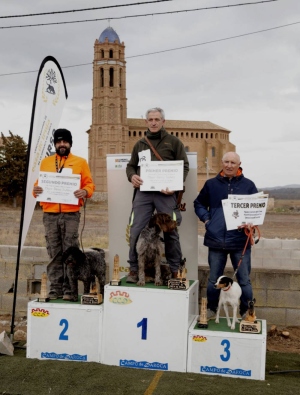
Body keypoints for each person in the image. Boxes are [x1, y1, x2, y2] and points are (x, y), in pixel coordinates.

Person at [126, 107, 189, 283]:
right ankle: (133, 269)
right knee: (136, 229)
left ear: (163, 122)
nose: (153, 122)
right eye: (150, 119)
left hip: (165, 194)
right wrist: (132, 176)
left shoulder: (173, 142)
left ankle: (175, 269)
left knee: (170, 231)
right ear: (146, 122)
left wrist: (175, 186)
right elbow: (131, 166)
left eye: (157, 119)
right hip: (144, 193)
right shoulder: (140, 144)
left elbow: (184, 166)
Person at [193, 152, 258, 319]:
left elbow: (256, 211)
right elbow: (198, 203)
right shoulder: (211, 184)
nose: (229, 165)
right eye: (226, 162)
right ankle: (211, 310)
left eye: (233, 162)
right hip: (216, 241)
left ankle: (246, 313)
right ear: (222, 163)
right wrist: (207, 220)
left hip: (239, 241)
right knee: (214, 279)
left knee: (244, 280)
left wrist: (252, 221)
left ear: (239, 164)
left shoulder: (249, 186)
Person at [33, 128, 95, 300]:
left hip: (71, 214)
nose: (62, 144)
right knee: (54, 251)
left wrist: (85, 191)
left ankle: (69, 288)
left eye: (65, 142)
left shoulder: (81, 162)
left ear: (70, 143)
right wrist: (35, 190)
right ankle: (55, 288)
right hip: (50, 214)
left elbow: (90, 185)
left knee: (70, 251)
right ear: (55, 143)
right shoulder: (45, 162)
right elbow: (39, 186)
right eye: (59, 142)